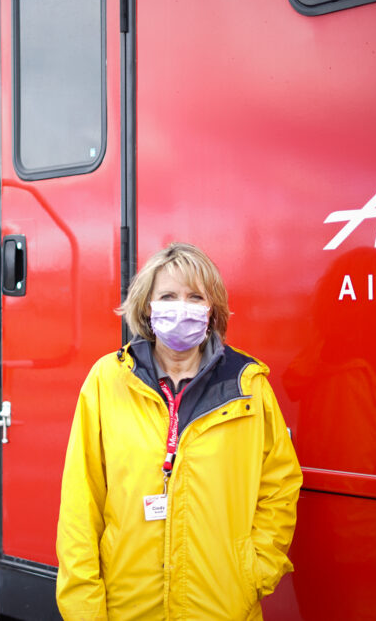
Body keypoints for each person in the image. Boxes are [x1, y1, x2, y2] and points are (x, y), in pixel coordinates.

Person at [55, 242, 302, 620]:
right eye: (168, 296)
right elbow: (80, 505)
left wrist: (256, 570)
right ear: (147, 306)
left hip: (222, 606)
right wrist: (83, 611)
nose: (181, 306)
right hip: (128, 607)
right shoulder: (108, 380)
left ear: (211, 308)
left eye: (194, 296)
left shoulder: (248, 386)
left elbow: (280, 486)